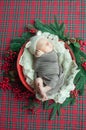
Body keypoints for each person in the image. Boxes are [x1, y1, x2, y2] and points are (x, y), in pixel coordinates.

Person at [26, 34, 64, 101]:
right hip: (47, 72)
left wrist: (42, 56)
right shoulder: (39, 57)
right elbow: (36, 66)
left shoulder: (53, 53)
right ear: (37, 51)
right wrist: (38, 57)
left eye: (48, 42)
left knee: (43, 79)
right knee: (52, 79)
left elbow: (54, 58)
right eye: (45, 45)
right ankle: (44, 89)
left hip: (48, 73)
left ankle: (42, 86)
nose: (48, 44)